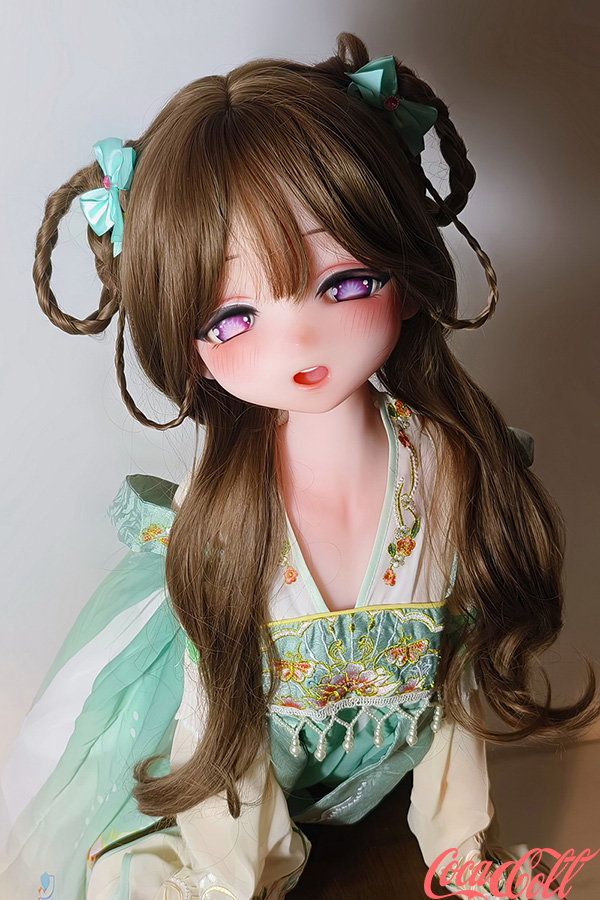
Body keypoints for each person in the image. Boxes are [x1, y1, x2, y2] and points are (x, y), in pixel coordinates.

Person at [1, 31, 598, 900]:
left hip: (380, 798)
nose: (301, 340)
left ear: (403, 267)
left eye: (344, 283)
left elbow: (456, 691)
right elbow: (225, 737)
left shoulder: (449, 471)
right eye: (232, 318)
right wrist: (238, 880)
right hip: (238, 806)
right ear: (190, 345)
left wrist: (463, 851)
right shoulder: (228, 515)